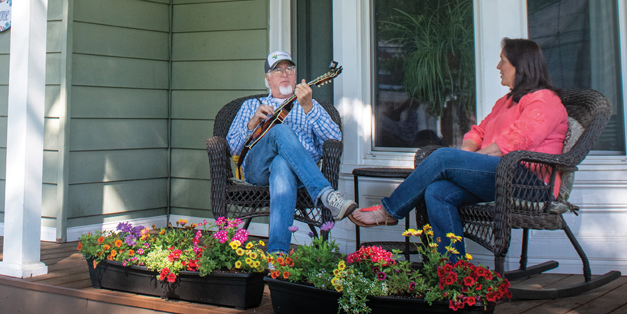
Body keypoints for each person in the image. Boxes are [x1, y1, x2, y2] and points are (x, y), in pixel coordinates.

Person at [350, 38, 568, 258]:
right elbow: (478, 132)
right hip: (500, 175)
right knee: (438, 192)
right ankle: (453, 273)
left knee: (443, 157)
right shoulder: (506, 102)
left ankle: (388, 211)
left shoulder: (545, 101)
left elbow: (514, 143)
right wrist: (464, 157)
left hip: (532, 183)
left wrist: (458, 160)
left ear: (520, 65)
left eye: (502, 61)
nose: (498, 67)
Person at [227, 50, 358, 254]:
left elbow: (334, 139)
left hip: (299, 175)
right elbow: (232, 148)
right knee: (279, 130)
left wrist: (309, 108)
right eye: (277, 70)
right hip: (256, 170)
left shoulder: (309, 105)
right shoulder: (251, 105)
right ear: (267, 78)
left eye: (289, 68)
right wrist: (252, 123)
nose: (285, 73)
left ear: (296, 74)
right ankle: (326, 194)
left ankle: (277, 254)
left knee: (281, 164)